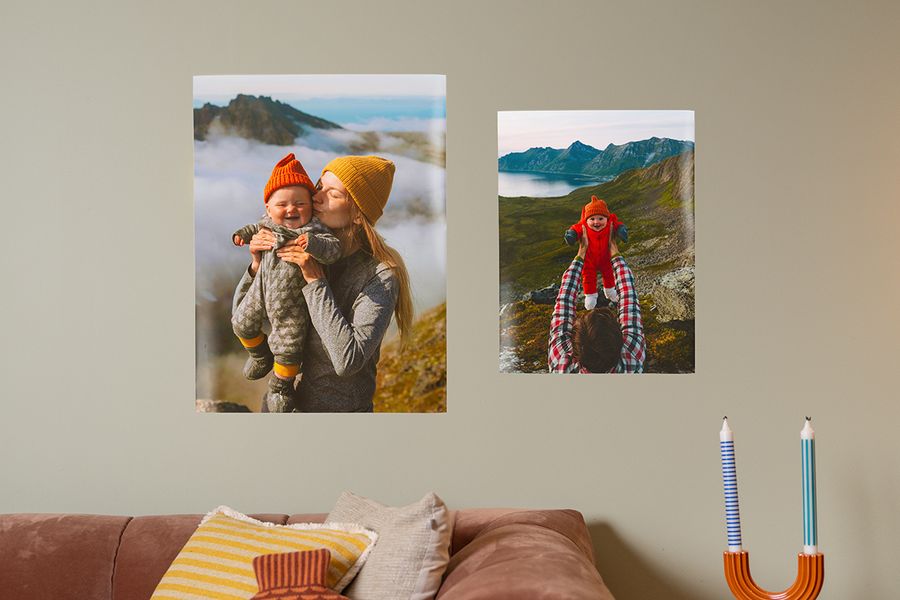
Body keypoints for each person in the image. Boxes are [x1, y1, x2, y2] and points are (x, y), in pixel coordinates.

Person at [241, 155, 413, 412]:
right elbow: (243, 313)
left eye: (332, 193)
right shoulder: (305, 242)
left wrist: (315, 281)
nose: (317, 196)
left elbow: (347, 361)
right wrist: (257, 266)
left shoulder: (381, 276)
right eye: (320, 186)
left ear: (357, 213)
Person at [231, 153, 343, 412]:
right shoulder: (265, 226)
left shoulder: (313, 231)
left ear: (311, 207)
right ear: (268, 208)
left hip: (293, 304)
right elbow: (251, 229)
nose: (292, 209)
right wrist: (240, 236)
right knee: (241, 323)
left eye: (300, 203)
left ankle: (281, 387)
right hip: (261, 291)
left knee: (289, 348)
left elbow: (333, 250)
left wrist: (313, 244)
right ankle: (260, 355)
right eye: (282, 204)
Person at [549, 226, 645, 373]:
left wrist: (581, 253)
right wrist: (614, 250)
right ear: (621, 341)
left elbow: (563, 303)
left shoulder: (561, 362)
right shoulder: (631, 357)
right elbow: (629, 298)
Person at [564, 195, 628, 308]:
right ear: (586, 220)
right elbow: (575, 229)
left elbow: (618, 225)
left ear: (607, 219)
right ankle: (590, 296)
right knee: (588, 277)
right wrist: (571, 235)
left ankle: (610, 291)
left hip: (605, 257)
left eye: (600, 218)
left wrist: (621, 231)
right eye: (592, 219)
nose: (596, 222)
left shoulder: (610, 224)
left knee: (609, 274)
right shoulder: (583, 226)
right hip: (589, 259)